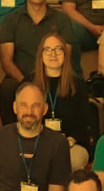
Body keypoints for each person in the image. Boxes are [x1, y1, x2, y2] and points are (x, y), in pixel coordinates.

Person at [0, 0, 72, 120]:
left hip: (53, 77)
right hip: (20, 79)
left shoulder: (62, 20)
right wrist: (28, 85)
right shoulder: (11, 19)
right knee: (6, 89)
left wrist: (46, 82)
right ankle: (12, 138)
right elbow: (6, 61)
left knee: (73, 87)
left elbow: (66, 55)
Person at [31, 32, 94, 171]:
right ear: (40, 55)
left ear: (65, 54)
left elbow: (84, 122)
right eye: (47, 50)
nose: (53, 54)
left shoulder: (78, 85)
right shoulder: (30, 84)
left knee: (74, 161)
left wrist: (69, 141)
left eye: (58, 49)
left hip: (72, 144)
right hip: (38, 143)